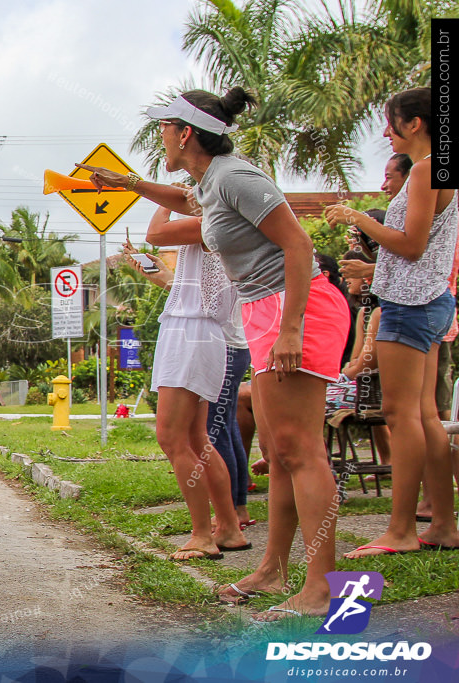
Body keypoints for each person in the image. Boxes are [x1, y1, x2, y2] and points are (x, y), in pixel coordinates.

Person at [81, 86, 349, 621]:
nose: (159, 135)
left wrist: (291, 327)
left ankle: (322, 585)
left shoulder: (236, 177)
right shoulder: (211, 182)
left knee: (300, 452)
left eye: (164, 127)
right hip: (263, 309)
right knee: (279, 454)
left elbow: (298, 244)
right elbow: (184, 201)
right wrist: (127, 182)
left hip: (294, 308)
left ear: (186, 133)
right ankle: (274, 566)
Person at [326, 87, 459, 556]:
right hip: (431, 299)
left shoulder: (424, 171)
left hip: (410, 305)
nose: (386, 132)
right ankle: (442, 524)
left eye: (391, 123)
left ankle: (401, 529)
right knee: (425, 417)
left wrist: (357, 216)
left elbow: (411, 245)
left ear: (415, 123)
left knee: (403, 418)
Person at [124, 207, 249, 559]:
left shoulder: (214, 219)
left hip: (192, 333)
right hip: (200, 331)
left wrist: (168, 198)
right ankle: (227, 528)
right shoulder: (216, 227)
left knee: (172, 438)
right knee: (197, 438)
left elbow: (156, 232)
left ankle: (202, 535)